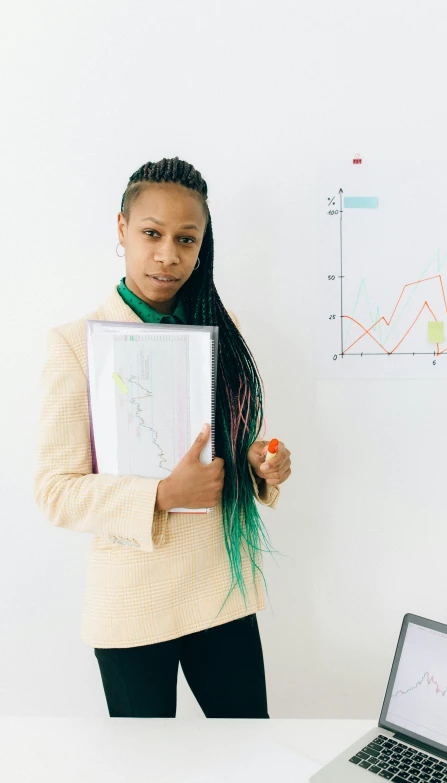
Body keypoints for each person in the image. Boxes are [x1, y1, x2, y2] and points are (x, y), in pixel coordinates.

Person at [33, 156, 292, 718]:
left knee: (250, 755)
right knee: (145, 769)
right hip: (132, 605)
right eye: (152, 233)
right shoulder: (76, 345)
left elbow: (234, 444)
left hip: (221, 591)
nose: (168, 255)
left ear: (202, 247)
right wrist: (161, 496)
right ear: (121, 229)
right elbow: (55, 489)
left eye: (186, 239)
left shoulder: (224, 331)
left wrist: (258, 463)